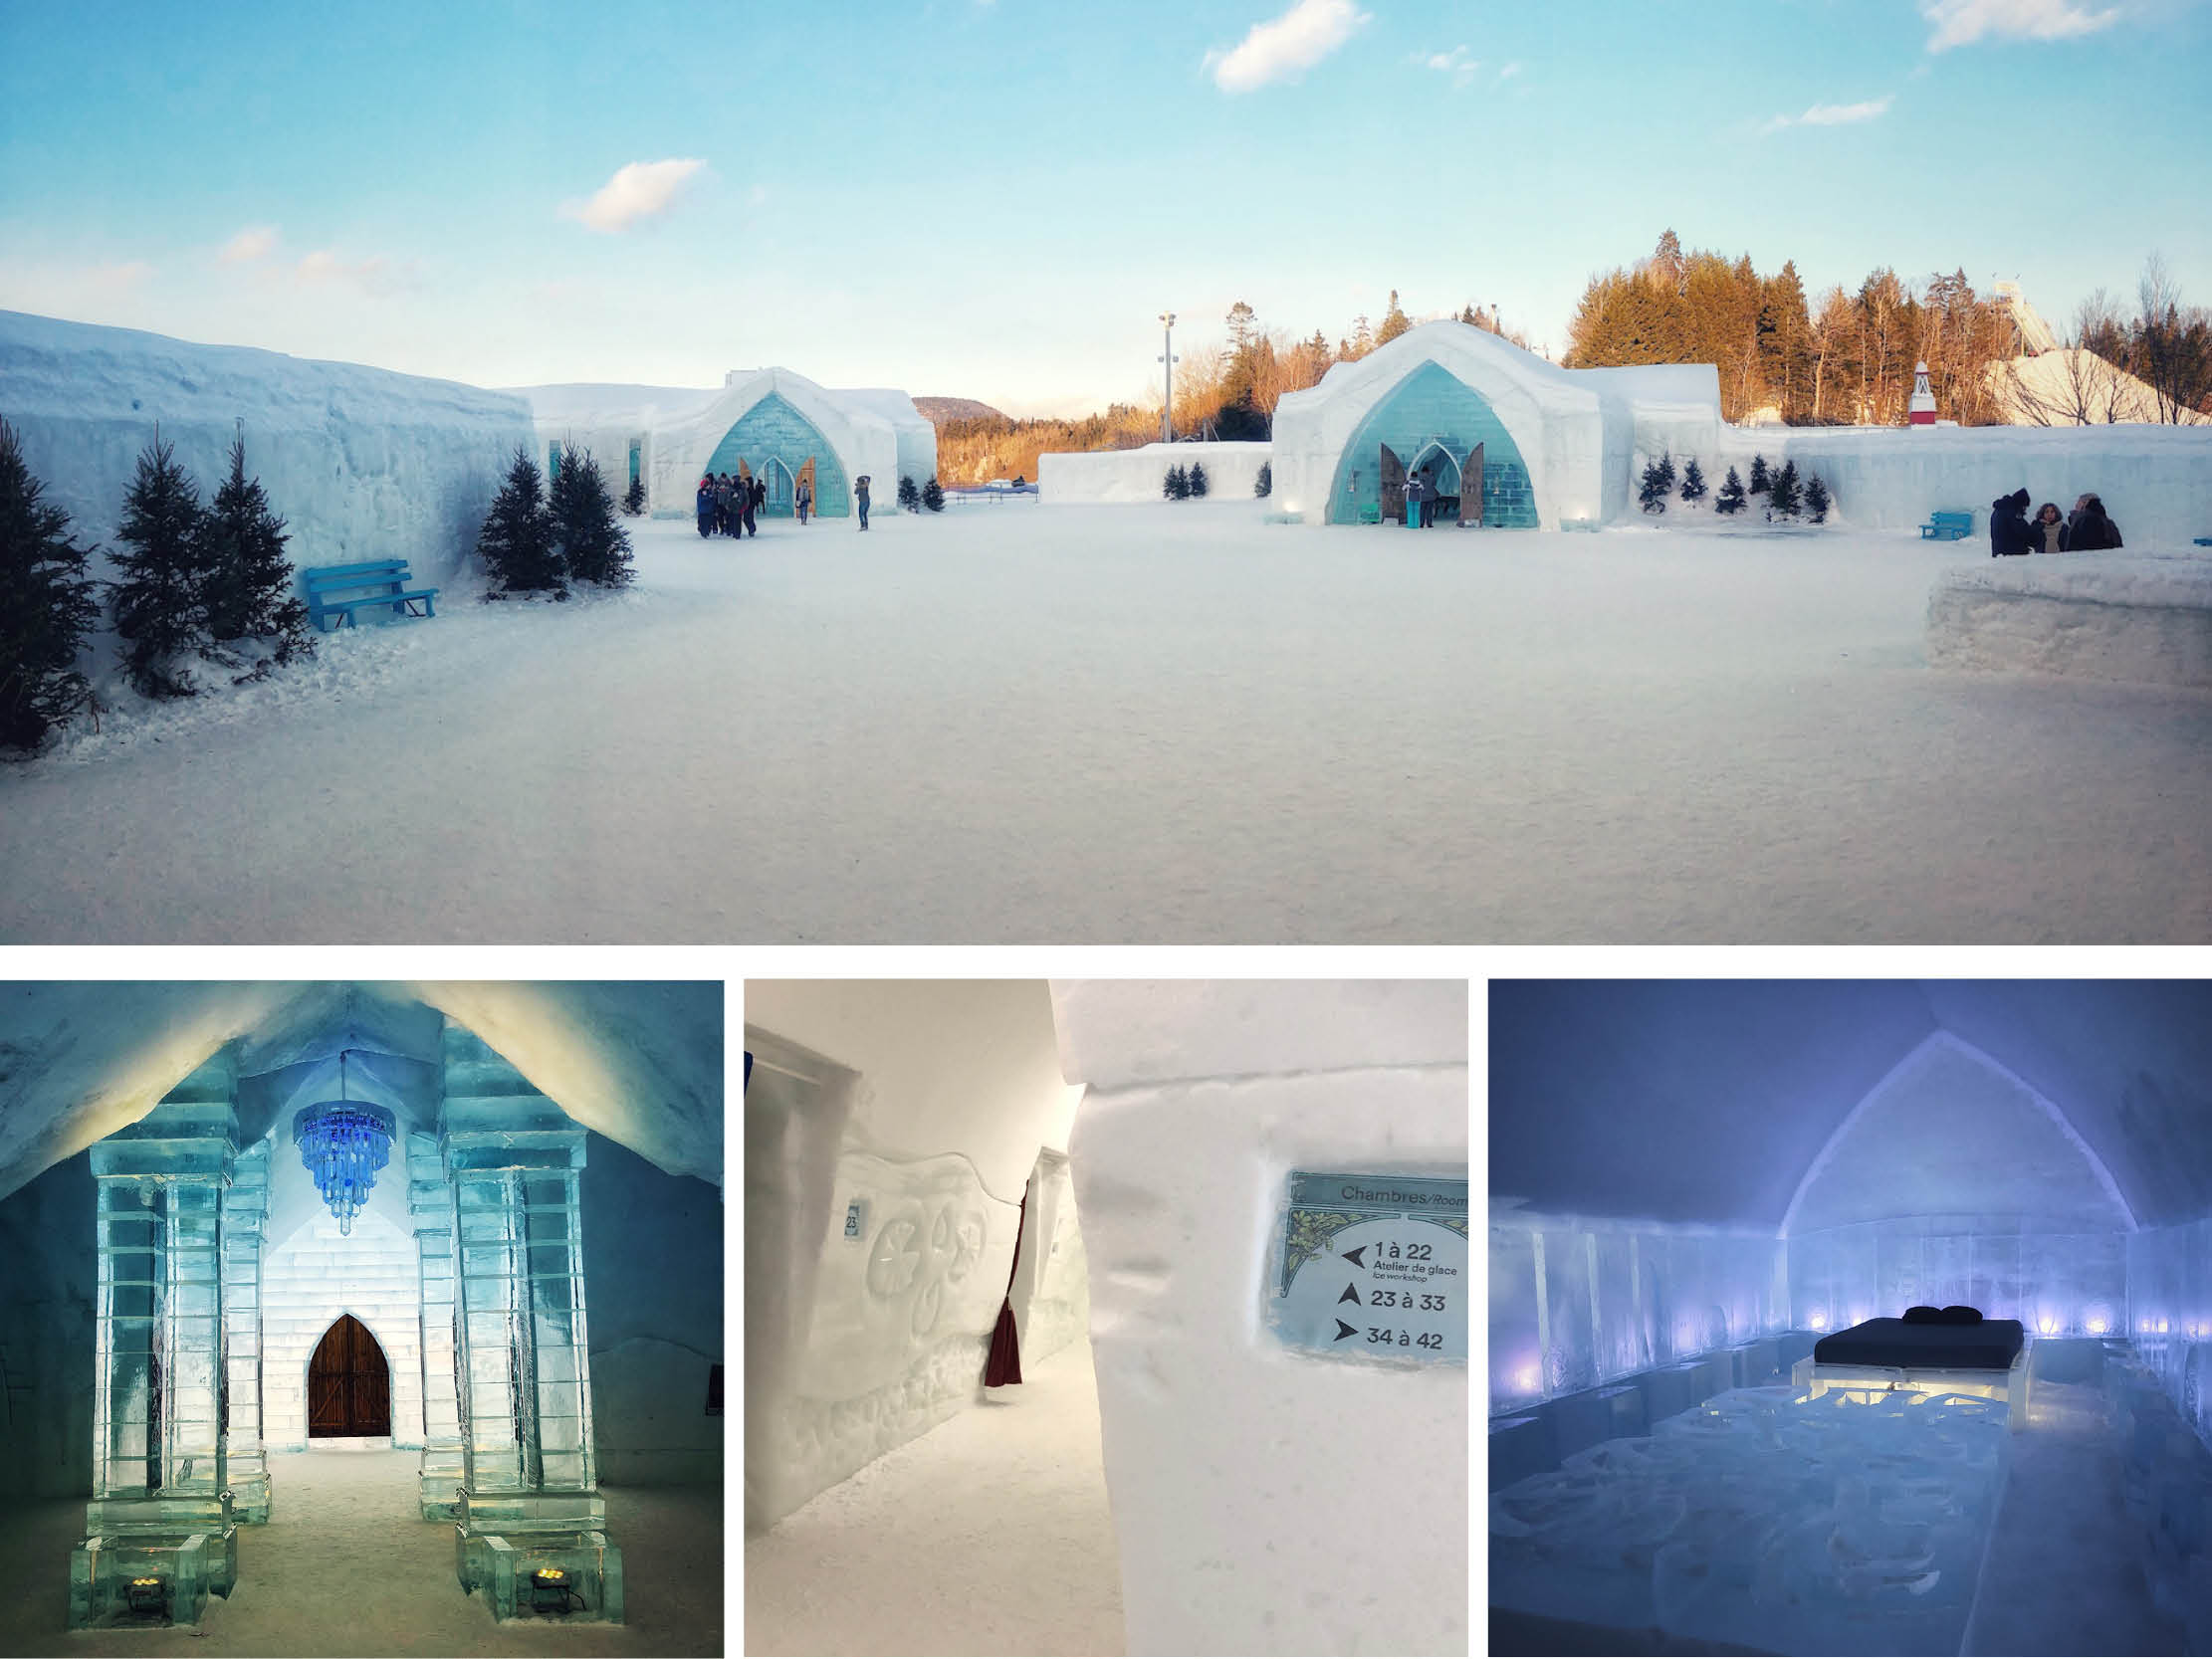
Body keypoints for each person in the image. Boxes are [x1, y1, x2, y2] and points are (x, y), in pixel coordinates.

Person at [1988, 488, 2036, 557]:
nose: (2025, 509)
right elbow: (2023, 530)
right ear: (2020, 503)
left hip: (1999, 552)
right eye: (2025, 506)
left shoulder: (1999, 510)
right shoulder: (2012, 512)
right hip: (2011, 554)